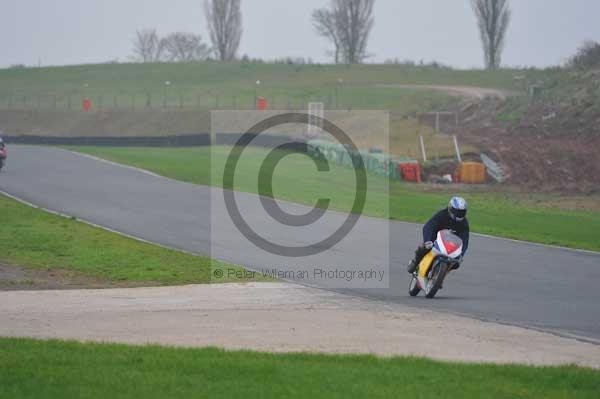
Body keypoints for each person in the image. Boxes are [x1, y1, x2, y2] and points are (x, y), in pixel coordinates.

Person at [407, 197, 469, 274]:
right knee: (424, 248)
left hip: (449, 245)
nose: (459, 215)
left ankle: (440, 274)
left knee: (456, 264)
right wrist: (428, 240)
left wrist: (461, 254)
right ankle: (415, 262)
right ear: (450, 209)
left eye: (461, 212)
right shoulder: (442, 214)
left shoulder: (464, 223)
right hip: (435, 240)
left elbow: (465, 239)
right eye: (457, 212)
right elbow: (428, 226)